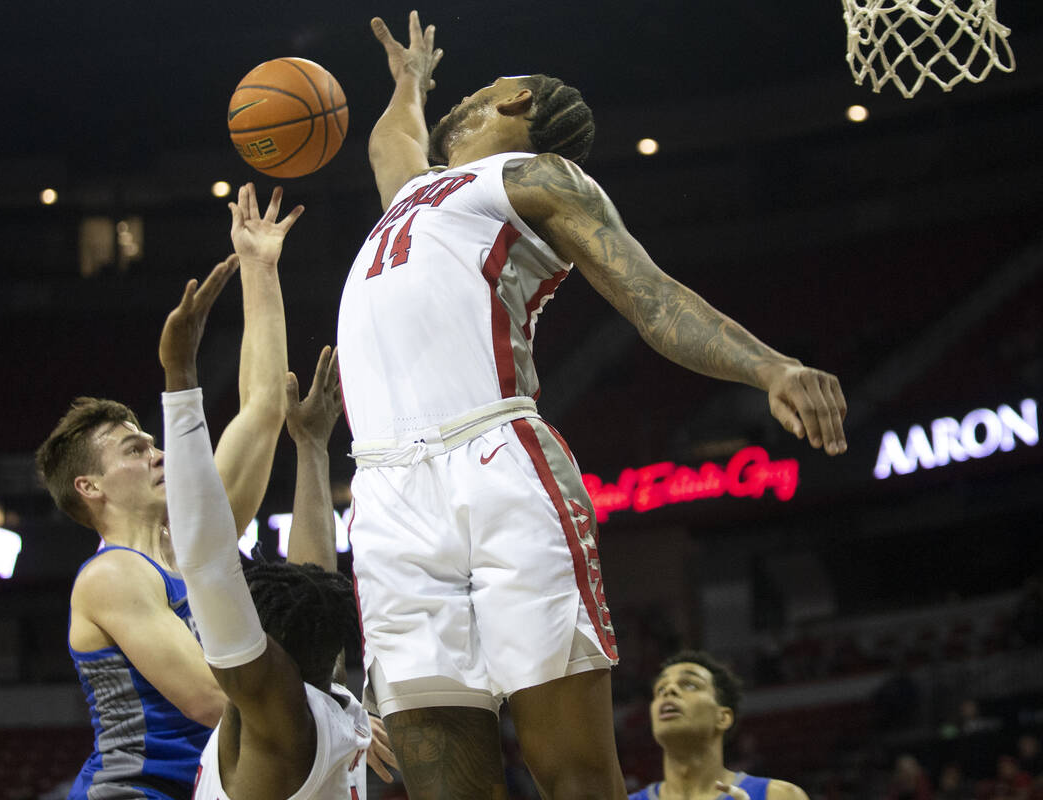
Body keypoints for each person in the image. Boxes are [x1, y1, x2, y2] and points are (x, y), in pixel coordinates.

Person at [335, 11, 849, 799]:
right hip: (383, 491)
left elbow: (652, 297)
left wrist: (771, 368)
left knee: (573, 775)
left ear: (516, 106)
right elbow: (387, 143)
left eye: (488, 85)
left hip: (493, 458)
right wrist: (409, 82)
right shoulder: (415, 192)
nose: (469, 91)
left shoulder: (537, 178)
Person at [35, 184, 303, 799]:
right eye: (134, 450)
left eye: (152, 441)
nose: (159, 452)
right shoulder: (113, 577)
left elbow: (263, 409)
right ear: (90, 487)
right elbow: (212, 699)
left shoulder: (200, 537)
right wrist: (334, 714)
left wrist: (260, 268)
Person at [155, 226, 374, 799]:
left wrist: (180, 381)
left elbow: (206, 564)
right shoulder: (332, 700)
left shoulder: (280, 713)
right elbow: (317, 580)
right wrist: (310, 449)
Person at [631, 651, 810, 800]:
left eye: (690, 685)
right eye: (660, 689)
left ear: (723, 717)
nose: (669, 691)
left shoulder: (779, 796)